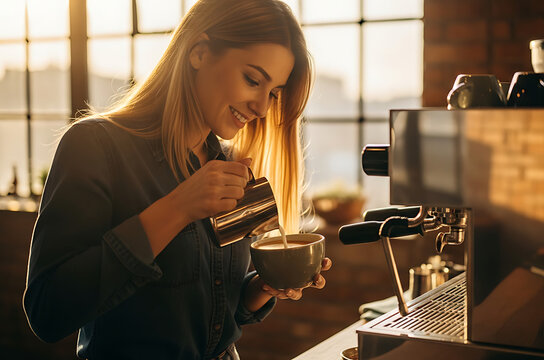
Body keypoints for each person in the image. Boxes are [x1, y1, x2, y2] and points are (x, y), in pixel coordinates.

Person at [23, 1, 331, 359]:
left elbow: (220, 312)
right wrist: (178, 208)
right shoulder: (94, 145)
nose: (262, 107)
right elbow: (48, 314)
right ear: (199, 52)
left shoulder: (231, 165)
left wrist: (263, 286)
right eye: (252, 80)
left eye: (273, 93)